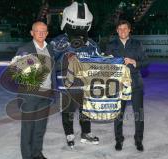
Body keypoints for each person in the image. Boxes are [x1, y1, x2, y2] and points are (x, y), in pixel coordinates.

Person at [50, 1, 100, 148]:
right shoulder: (58, 42)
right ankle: (69, 134)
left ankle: (86, 133)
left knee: (86, 112)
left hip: (84, 86)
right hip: (65, 87)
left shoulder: (91, 44)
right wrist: (66, 56)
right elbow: (51, 62)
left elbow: (99, 62)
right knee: (67, 112)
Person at [105, 20, 149, 151]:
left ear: (130, 30)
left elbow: (146, 61)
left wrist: (134, 62)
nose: (122, 31)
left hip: (135, 83)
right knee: (118, 114)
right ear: (117, 30)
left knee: (138, 114)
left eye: (125, 28)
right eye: (120, 29)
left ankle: (138, 140)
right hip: (118, 85)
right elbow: (106, 64)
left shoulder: (137, 44)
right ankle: (119, 139)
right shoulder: (111, 45)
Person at [16, 21, 55, 159]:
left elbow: (53, 71)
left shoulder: (50, 49)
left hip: (46, 93)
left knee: (40, 127)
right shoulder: (25, 49)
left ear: (47, 33)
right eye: (38, 31)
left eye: (44, 31)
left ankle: (37, 153)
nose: (41, 33)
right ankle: (27, 156)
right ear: (32, 33)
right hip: (30, 95)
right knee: (28, 128)